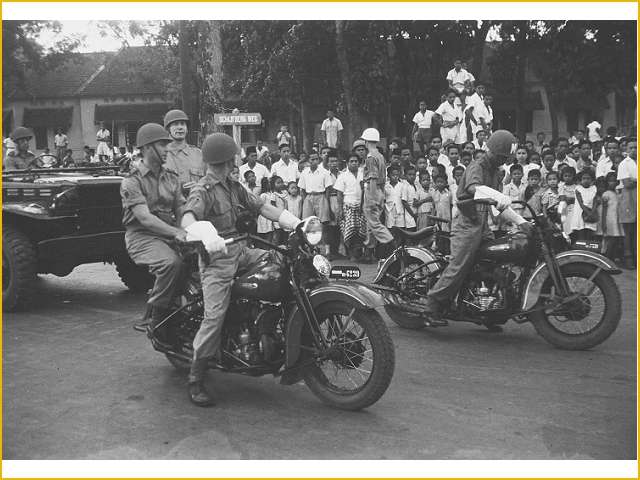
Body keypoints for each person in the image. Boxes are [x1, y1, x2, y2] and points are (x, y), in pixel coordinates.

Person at [181, 133, 300, 406]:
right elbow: (188, 217)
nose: (236, 160)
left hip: (242, 251)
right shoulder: (204, 190)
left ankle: (266, 328)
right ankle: (196, 377)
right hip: (217, 261)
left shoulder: (233, 186)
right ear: (225, 160)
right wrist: (204, 231)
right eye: (233, 156)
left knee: (279, 261)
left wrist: (295, 222)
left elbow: (260, 207)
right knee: (214, 317)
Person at [422, 130, 531, 326]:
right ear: (495, 153)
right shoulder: (477, 165)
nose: (503, 161)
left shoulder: (497, 173)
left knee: (493, 263)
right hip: (466, 224)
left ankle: (489, 310)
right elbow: (474, 188)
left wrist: (521, 222)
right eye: (502, 157)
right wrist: (499, 199)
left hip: (483, 225)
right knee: (458, 267)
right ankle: (432, 304)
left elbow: (499, 206)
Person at [120, 123, 186, 350]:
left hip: (169, 234)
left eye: (167, 144)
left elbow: (181, 210)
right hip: (142, 237)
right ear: (147, 148)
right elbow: (145, 219)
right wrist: (178, 233)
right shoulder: (131, 181)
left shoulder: (171, 178)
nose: (167, 148)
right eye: (162, 144)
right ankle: (155, 316)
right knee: (171, 263)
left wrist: (193, 229)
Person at [361, 128, 394, 258]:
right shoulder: (380, 156)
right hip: (380, 190)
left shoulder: (370, 157)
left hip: (372, 189)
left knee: (374, 222)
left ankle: (391, 242)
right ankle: (369, 250)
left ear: (366, 141)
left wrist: (372, 197)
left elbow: (373, 178)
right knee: (371, 222)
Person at [163, 109, 205, 193]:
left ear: (187, 129)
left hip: (196, 203)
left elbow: (209, 180)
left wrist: (199, 186)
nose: (180, 127)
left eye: (183, 124)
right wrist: (178, 188)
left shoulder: (198, 154)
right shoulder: (161, 155)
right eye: (175, 124)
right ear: (168, 129)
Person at [334, 153, 366, 261]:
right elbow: (339, 194)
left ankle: (359, 254)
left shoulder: (363, 174)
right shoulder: (343, 176)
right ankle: (351, 253)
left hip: (361, 206)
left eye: (356, 161)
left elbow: (366, 190)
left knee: (361, 231)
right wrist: (340, 209)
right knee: (349, 230)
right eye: (351, 161)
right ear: (347, 163)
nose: (354, 163)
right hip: (348, 206)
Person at [617, 137, 637, 269]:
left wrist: (634, 179)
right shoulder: (624, 164)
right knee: (628, 230)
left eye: (636, 147)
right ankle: (628, 258)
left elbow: (632, 181)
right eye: (631, 147)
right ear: (626, 149)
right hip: (629, 198)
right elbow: (627, 184)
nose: (634, 150)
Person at [601, 172, 624, 263]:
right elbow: (604, 209)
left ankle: (614, 257)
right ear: (607, 182)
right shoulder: (606, 194)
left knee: (617, 239)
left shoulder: (618, 193)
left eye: (614, 181)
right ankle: (607, 258)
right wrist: (603, 222)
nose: (612, 183)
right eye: (610, 181)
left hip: (618, 219)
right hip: (610, 219)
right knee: (611, 239)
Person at [571, 168, 598, 241]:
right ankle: (581, 247)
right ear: (580, 180)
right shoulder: (578, 188)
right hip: (580, 212)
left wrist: (592, 212)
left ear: (592, 180)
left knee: (590, 231)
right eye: (584, 178)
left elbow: (595, 201)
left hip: (591, 212)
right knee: (581, 231)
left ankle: (588, 247)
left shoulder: (594, 188)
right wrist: (588, 212)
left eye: (588, 178)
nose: (586, 180)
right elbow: (581, 203)